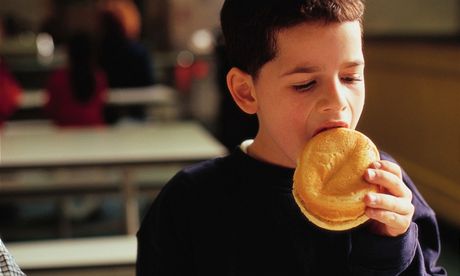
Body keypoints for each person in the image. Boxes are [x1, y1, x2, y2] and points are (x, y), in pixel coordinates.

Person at [136, 0, 447, 275]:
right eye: (305, 84)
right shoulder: (190, 204)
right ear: (246, 91)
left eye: (351, 77)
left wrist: (392, 247)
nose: (337, 101)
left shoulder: (388, 190)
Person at [44, 32, 107, 127]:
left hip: (65, 132)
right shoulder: (99, 77)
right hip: (95, 131)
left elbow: (50, 109)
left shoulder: (58, 78)